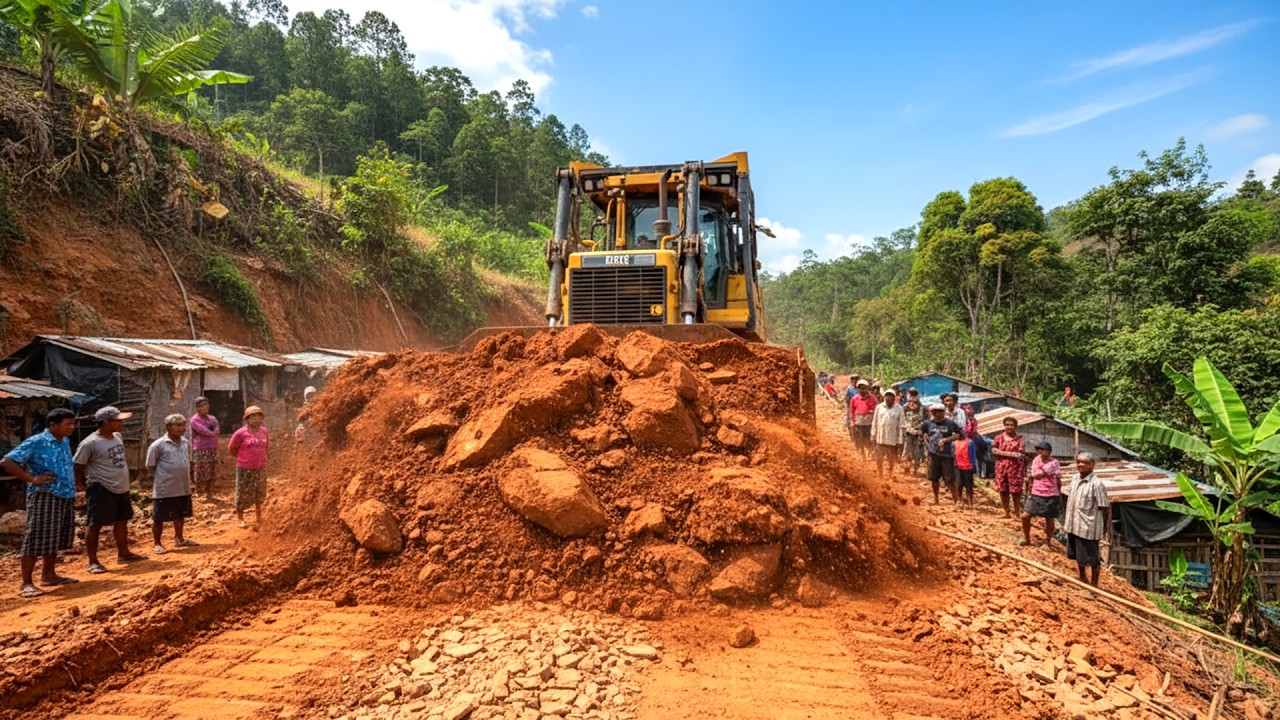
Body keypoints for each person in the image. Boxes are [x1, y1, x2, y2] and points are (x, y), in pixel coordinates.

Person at [1, 409, 79, 598]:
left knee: (54, 536)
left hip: (64, 494)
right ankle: (26, 583)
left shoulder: (64, 441)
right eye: (67, 424)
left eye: (72, 423)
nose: (72, 427)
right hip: (44, 494)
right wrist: (31, 478)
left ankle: (49, 575)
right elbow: (7, 461)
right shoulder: (36, 441)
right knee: (36, 537)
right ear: (53, 425)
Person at [74, 406, 146, 573]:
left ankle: (123, 552)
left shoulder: (117, 436)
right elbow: (78, 465)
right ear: (106, 422)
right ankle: (93, 561)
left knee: (122, 520)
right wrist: (79, 484)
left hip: (121, 486)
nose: (122, 424)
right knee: (95, 524)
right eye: (118, 420)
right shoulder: (90, 443)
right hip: (101, 486)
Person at [145, 414, 196, 554]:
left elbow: (189, 461)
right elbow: (150, 466)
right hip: (165, 488)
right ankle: (157, 543)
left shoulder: (185, 442)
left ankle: (179, 539)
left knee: (180, 514)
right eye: (177, 425)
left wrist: (191, 478)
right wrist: (157, 481)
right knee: (159, 517)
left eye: (183, 425)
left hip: (183, 486)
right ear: (167, 427)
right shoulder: (158, 445)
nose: (181, 428)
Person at [1063, 452, 1109, 587]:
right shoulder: (1074, 479)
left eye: (1084, 462)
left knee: (1093, 559)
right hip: (1073, 525)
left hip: (1088, 528)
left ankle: (1094, 585)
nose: (1080, 465)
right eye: (1078, 462)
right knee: (1078, 555)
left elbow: (1104, 507)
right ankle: (1082, 577)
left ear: (1092, 466)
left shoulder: (1097, 484)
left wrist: (1103, 529)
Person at [230, 405, 269, 529]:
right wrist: (244, 458)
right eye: (252, 416)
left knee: (260, 492)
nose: (256, 419)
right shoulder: (240, 433)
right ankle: (241, 518)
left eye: (258, 416)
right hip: (244, 467)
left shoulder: (264, 431)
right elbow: (232, 448)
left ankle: (259, 516)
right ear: (247, 419)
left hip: (261, 467)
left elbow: (266, 446)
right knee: (242, 492)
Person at [919, 404, 963, 504]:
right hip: (933, 454)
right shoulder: (927, 423)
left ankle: (956, 500)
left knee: (950, 479)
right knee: (934, 479)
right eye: (938, 412)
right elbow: (923, 432)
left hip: (947, 455)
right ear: (933, 413)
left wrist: (946, 440)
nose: (940, 414)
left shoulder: (950, 423)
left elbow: (959, 434)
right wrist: (927, 440)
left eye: (942, 411)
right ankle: (936, 499)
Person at [1021, 441, 1062, 547]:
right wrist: (1031, 480)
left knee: (1049, 519)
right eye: (1038, 449)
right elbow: (1035, 474)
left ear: (1048, 452)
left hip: (1051, 493)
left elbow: (1039, 474)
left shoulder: (1054, 463)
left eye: (1042, 450)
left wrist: (1032, 476)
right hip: (1036, 492)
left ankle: (1048, 541)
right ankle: (1027, 539)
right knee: (1025, 516)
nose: (1040, 452)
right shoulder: (1036, 460)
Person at [991, 416, 1028, 518]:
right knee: (1003, 491)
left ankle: (1017, 512)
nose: (1009, 427)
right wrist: (1011, 454)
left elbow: (1020, 454)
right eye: (1007, 425)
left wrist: (1002, 453)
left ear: (1015, 426)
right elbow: (994, 451)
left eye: (1011, 425)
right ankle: (1006, 512)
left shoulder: (1020, 439)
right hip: (1001, 469)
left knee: (1016, 492)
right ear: (1004, 426)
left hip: (1015, 470)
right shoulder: (998, 438)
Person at [189, 397, 219, 500]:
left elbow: (217, 429)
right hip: (200, 448)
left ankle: (210, 492)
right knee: (201, 470)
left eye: (206, 405)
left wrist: (212, 432)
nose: (204, 408)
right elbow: (203, 431)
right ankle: (199, 492)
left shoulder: (212, 418)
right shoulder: (194, 420)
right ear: (197, 408)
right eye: (201, 406)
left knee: (212, 469)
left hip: (212, 447)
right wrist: (212, 432)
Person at [869, 389, 904, 480]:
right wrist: (873, 434)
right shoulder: (879, 407)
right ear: (884, 397)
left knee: (891, 458)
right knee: (879, 457)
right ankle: (880, 474)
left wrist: (900, 439)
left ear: (894, 398)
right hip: (880, 438)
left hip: (892, 439)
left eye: (891, 396)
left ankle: (890, 473)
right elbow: (875, 422)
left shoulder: (899, 408)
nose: (888, 398)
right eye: (887, 396)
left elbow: (902, 425)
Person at [848, 380, 878, 457]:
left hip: (869, 423)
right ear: (858, 389)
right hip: (858, 422)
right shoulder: (854, 399)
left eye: (864, 388)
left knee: (869, 439)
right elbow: (851, 410)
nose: (862, 390)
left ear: (867, 389)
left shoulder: (872, 399)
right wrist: (852, 421)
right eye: (860, 388)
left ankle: (870, 452)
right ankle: (862, 454)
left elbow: (876, 410)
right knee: (859, 439)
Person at [900, 392, 925, 476]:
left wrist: (920, 430)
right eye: (911, 395)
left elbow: (926, 421)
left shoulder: (923, 408)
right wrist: (909, 429)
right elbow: (902, 420)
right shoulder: (905, 408)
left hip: (918, 434)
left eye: (915, 395)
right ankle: (906, 468)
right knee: (907, 451)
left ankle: (915, 469)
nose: (913, 398)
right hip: (908, 433)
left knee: (917, 452)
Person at [952, 433, 977, 507]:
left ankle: (970, 502)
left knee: (968, 485)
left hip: (968, 467)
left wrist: (973, 466)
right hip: (958, 466)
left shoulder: (970, 442)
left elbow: (972, 455)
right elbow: (953, 454)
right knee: (959, 484)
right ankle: (960, 500)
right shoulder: (954, 443)